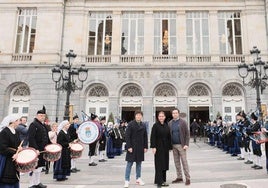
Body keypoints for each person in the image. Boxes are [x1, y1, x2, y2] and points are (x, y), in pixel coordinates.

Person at [124, 110, 148, 188]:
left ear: (141, 116)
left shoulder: (143, 125)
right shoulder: (130, 124)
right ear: (135, 116)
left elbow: (145, 136)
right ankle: (127, 180)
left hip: (140, 147)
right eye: (137, 115)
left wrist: (145, 146)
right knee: (129, 164)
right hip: (132, 147)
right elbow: (127, 136)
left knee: (139, 164)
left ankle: (138, 178)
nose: (139, 116)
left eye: (140, 115)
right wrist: (129, 147)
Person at [28, 107, 50, 188]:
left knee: (40, 167)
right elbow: (31, 138)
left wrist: (50, 146)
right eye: (41, 116)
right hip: (36, 150)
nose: (42, 117)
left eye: (43, 116)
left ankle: (37, 183)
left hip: (42, 150)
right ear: (37, 116)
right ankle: (31, 184)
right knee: (34, 167)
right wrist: (35, 149)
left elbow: (46, 137)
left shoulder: (43, 125)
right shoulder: (33, 124)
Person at [168, 108, 190, 186]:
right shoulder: (170, 123)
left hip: (182, 145)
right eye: (173, 113)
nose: (174, 114)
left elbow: (187, 134)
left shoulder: (183, 122)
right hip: (173, 146)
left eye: (176, 113)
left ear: (178, 113)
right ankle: (179, 177)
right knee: (176, 162)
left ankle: (187, 178)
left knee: (184, 162)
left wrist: (186, 144)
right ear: (172, 114)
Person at [150, 111, 172, 187]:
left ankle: (163, 180)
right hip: (158, 147)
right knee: (159, 164)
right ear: (158, 117)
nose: (161, 117)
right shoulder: (155, 126)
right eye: (160, 116)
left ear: (165, 117)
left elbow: (169, 136)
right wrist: (153, 147)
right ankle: (159, 182)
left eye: (162, 116)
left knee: (165, 164)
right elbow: (152, 137)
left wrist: (170, 147)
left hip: (165, 147)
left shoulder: (166, 125)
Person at [0, 115, 22, 188]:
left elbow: (18, 144)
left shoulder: (16, 131)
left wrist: (20, 148)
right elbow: (2, 147)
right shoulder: (4, 132)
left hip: (14, 159)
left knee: (14, 177)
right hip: (6, 159)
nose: (19, 122)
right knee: (7, 178)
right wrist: (14, 152)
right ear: (13, 122)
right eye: (18, 120)